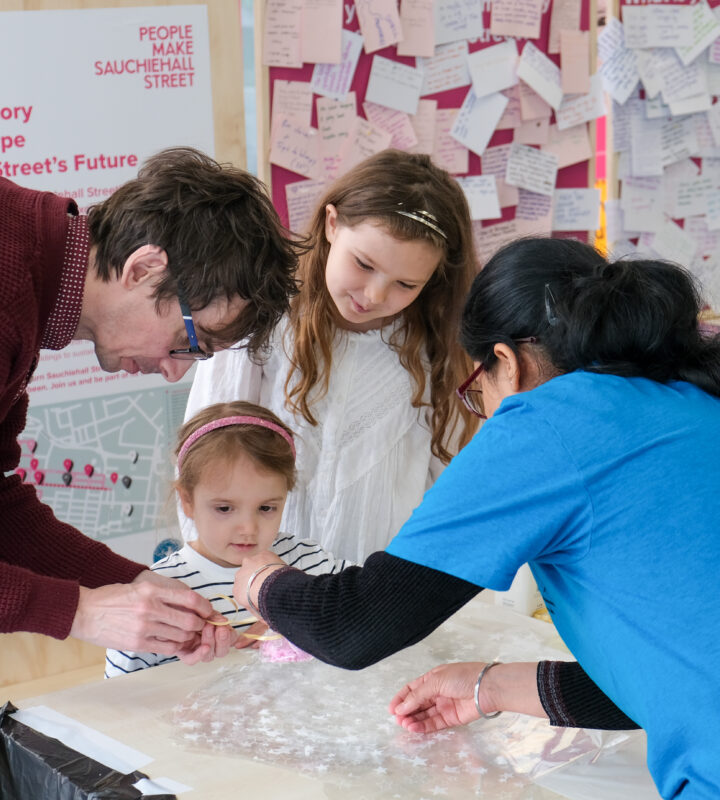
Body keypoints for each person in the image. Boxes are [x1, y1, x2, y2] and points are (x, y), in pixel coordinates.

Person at [233, 238, 720, 799]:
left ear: (506, 364)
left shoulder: (546, 423)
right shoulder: (692, 401)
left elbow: (353, 629)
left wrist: (260, 580)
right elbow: (658, 681)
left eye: (475, 390)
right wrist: (490, 686)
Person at [0, 148, 300, 663]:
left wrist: (138, 587)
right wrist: (81, 612)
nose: (175, 371)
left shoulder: (26, 265)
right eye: (189, 342)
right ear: (143, 269)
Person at [183, 150, 479, 563]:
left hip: (378, 586)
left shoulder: (439, 350)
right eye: (364, 264)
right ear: (332, 224)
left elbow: (453, 498)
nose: (373, 295)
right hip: (257, 583)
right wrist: (213, 575)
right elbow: (202, 462)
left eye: (405, 284)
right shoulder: (262, 318)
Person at [105, 401, 350, 677]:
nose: (248, 528)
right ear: (187, 501)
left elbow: (375, 614)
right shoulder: (159, 592)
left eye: (266, 508)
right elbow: (119, 693)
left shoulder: (310, 562)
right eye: (224, 508)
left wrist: (296, 619)